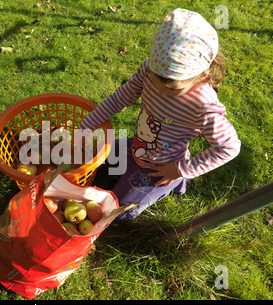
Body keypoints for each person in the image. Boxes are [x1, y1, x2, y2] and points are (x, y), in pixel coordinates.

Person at [80, 8, 241, 222]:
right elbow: (120, 98)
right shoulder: (150, 70)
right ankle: (160, 178)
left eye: (173, 89)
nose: (162, 92)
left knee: (114, 214)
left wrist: (180, 169)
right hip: (137, 146)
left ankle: (176, 181)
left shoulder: (203, 105)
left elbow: (229, 147)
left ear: (202, 74)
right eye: (157, 82)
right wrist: (87, 125)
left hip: (160, 167)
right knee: (91, 154)